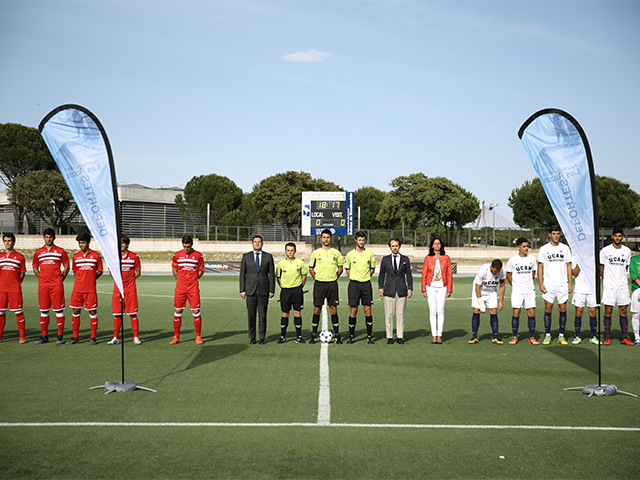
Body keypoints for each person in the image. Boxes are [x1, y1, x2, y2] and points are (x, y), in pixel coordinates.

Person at [32, 228, 70, 344]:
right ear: (43, 237)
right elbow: (35, 267)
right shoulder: (38, 252)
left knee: (59, 310)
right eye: (47, 237)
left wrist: (60, 278)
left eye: (51, 237)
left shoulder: (60, 251)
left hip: (56, 284)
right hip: (43, 285)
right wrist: (41, 277)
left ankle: (60, 336)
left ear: (54, 238)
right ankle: (44, 336)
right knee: (44, 311)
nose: (49, 239)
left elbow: (67, 266)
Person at [537, 226, 573, 345]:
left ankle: (561, 335)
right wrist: (541, 283)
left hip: (562, 284)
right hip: (549, 284)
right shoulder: (544, 249)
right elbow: (540, 266)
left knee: (563, 308)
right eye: (554, 233)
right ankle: (548, 335)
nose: (556, 236)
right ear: (549, 235)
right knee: (548, 308)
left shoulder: (565, 248)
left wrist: (569, 283)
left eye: (558, 233)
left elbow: (568, 265)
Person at [308, 229, 344, 344]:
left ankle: (337, 335)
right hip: (319, 284)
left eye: (328, 237)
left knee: (333, 309)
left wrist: (333, 278)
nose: (326, 239)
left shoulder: (336, 253)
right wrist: (317, 278)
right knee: (317, 309)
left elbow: (340, 269)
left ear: (331, 239)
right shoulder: (316, 253)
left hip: (332, 284)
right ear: (320, 238)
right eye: (324, 237)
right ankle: (313, 335)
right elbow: (311, 268)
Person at [600, 227, 634, 345]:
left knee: (623, 310)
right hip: (609, 285)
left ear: (622, 237)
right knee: (608, 309)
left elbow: (625, 267)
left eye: (620, 236)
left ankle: (624, 337)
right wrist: (608, 280)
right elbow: (601, 268)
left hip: (622, 285)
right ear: (612, 237)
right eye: (616, 236)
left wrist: (619, 279)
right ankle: (607, 336)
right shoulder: (605, 250)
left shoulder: (627, 251)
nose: (618, 238)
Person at [68, 232, 103, 345]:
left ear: (88, 243)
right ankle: (75, 337)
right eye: (79, 243)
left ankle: (93, 337)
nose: (81, 245)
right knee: (76, 311)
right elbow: (74, 271)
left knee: (92, 312)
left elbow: (100, 271)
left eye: (83, 243)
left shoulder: (96, 256)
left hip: (90, 290)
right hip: (77, 289)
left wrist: (91, 280)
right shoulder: (75, 256)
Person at [239, 235, 275, 344]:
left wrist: (272, 290)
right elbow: (242, 275)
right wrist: (242, 290)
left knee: (262, 315)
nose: (257, 243)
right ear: (252, 243)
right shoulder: (246, 257)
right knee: (251, 315)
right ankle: (252, 337)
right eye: (255, 242)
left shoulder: (268, 257)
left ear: (262, 243)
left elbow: (271, 275)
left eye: (259, 242)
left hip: (264, 290)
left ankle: (262, 337)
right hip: (250, 291)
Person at [171, 234, 205, 345]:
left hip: (193, 289)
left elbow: (201, 271)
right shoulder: (177, 255)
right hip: (180, 288)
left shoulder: (198, 256)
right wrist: (181, 280)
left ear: (192, 245)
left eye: (188, 246)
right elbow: (174, 270)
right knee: (178, 311)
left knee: (196, 312)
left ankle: (198, 336)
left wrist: (193, 280)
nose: (186, 248)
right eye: (185, 246)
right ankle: (176, 337)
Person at [108, 235, 142, 345]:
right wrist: (119, 281)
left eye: (123, 243)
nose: (121, 245)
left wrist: (130, 279)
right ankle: (115, 337)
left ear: (127, 244)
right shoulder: (114, 256)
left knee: (133, 313)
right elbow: (111, 271)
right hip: (117, 289)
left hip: (130, 289)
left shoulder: (134, 256)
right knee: (117, 314)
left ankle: (136, 337)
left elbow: (138, 272)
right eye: (119, 243)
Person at [378, 238, 413, 344]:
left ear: (399, 246)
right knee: (389, 314)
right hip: (388, 290)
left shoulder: (405, 259)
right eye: (393, 246)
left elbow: (408, 275)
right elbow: (381, 275)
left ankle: (400, 336)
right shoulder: (385, 259)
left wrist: (410, 288)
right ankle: (389, 337)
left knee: (400, 314)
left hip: (402, 290)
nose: (395, 248)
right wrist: (381, 287)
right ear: (390, 247)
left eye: (396, 245)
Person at [344, 231, 376, 344]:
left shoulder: (370, 254)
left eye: (363, 240)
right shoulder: (350, 254)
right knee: (353, 311)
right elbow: (347, 269)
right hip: (354, 285)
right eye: (359, 240)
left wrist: (364, 277)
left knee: (367, 311)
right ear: (356, 240)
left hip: (366, 284)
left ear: (364, 241)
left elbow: (372, 269)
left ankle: (369, 336)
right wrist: (354, 278)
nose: (361, 242)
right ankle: (351, 336)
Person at [506, 237, 538, 345]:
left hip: (529, 289)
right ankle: (514, 336)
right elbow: (508, 275)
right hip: (517, 290)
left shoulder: (532, 259)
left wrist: (528, 283)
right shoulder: (512, 260)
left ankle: (532, 337)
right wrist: (515, 285)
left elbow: (533, 273)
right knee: (516, 312)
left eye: (527, 246)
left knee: (531, 312)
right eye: (524, 246)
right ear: (518, 247)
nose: (526, 248)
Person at [421, 237, 452, 344]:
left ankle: (440, 335)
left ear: (441, 245)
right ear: (432, 246)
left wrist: (449, 289)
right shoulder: (428, 258)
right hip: (430, 287)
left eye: (439, 243)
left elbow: (449, 274)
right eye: (435, 243)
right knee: (432, 311)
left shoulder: (446, 258)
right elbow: (424, 273)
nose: (437, 245)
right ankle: (434, 335)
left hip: (443, 287)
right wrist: (423, 289)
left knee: (441, 311)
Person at [275, 242, 307, 343]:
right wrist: (285, 287)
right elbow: (278, 278)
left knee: (297, 313)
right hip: (285, 291)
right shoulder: (281, 264)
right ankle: (282, 336)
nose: (290, 252)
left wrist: (298, 287)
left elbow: (304, 276)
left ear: (295, 251)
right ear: (285, 251)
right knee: (285, 313)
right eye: (288, 250)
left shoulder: (300, 263)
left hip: (297, 291)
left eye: (292, 250)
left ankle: (298, 336)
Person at [468, 259, 506, 344]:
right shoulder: (482, 270)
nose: (497, 273)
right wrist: (481, 304)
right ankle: (474, 336)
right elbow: (477, 287)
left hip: (491, 291)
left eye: (498, 271)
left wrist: (501, 301)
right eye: (495, 271)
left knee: (493, 311)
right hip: (479, 290)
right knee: (476, 310)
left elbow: (502, 285)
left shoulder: (502, 272)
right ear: (491, 267)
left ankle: (495, 337)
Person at [0, 233, 27, 344]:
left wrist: (16, 283)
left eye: (9, 241)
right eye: (5, 241)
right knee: (1, 312)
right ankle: (0, 336)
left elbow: (22, 273)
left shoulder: (20, 257)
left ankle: (22, 336)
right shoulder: (0, 256)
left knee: (18, 312)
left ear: (14, 242)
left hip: (14, 289)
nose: (7, 243)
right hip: (1, 289)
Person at [571, 256, 599, 345]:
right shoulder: (575, 257)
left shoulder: (594, 257)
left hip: (592, 289)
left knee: (593, 312)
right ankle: (578, 336)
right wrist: (580, 262)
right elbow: (574, 273)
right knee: (579, 312)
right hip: (579, 290)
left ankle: (593, 337)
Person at [629, 250, 640, 345]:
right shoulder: (634, 259)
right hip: (637, 289)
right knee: (636, 315)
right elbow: (633, 273)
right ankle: (637, 337)